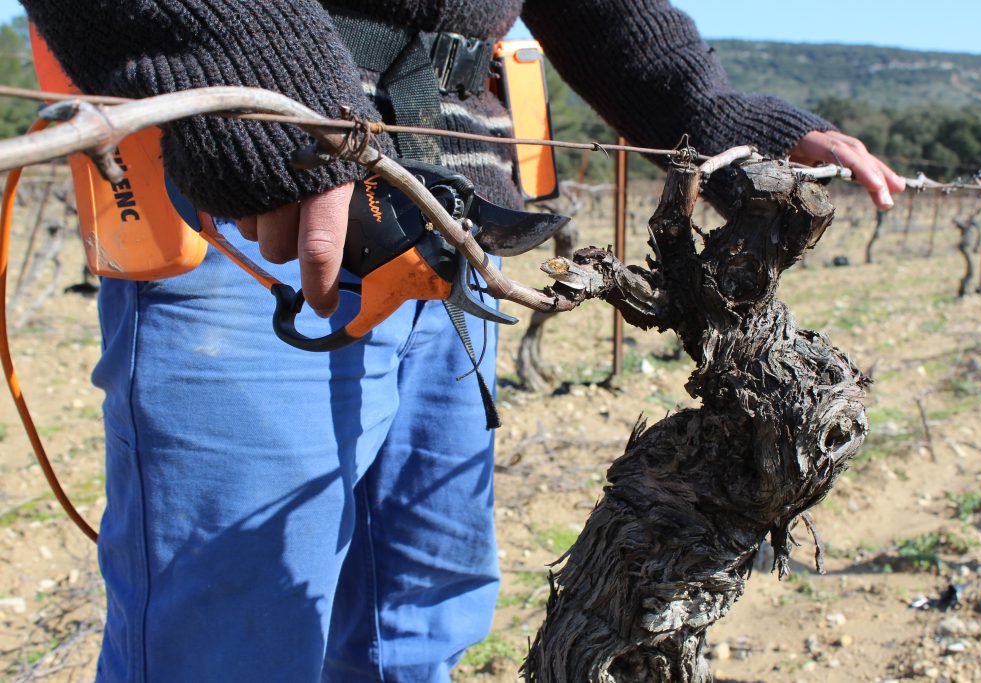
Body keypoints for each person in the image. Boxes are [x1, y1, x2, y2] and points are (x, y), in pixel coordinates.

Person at [23, 1, 905, 681]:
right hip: (261, 203)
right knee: (227, 640)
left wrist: (703, 109)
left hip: (456, 215)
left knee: (417, 623)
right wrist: (238, 53)